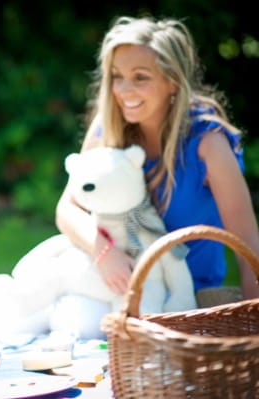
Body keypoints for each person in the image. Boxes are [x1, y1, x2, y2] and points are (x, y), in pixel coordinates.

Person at [55, 14, 259, 318]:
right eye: (116, 76)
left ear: (172, 81)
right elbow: (67, 209)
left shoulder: (208, 145)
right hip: (119, 287)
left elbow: (249, 247)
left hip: (188, 301)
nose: (124, 90)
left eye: (140, 77)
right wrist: (105, 252)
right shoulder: (107, 129)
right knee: (66, 316)